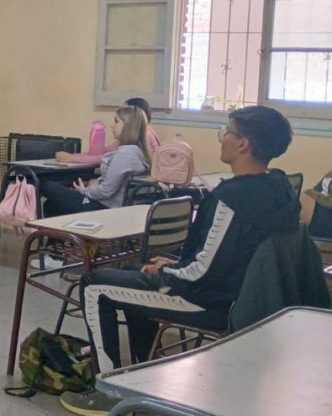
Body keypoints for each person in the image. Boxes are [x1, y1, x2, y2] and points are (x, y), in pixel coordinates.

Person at [60, 106, 298, 416]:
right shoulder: (278, 186)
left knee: (94, 285)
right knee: (133, 272)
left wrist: (171, 268)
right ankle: (142, 381)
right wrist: (170, 265)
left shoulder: (232, 198)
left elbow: (200, 273)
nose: (221, 138)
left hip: (210, 301)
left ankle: (108, 393)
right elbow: (227, 254)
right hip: (252, 297)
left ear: (243, 144)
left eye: (226, 132)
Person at [41, 106, 151, 217]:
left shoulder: (125, 155)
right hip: (109, 205)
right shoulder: (138, 152)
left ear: (128, 126)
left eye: (116, 121)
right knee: (51, 205)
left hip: (103, 208)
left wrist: (84, 191)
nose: (112, 126)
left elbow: (106, 191)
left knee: (44, 184)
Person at [56, 97, 161, 165]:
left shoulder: (144, 135)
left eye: (124, 111)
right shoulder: (132, 134)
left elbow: (105, 158)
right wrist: (74, 156)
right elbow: (107, 151)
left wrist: (73, 158)